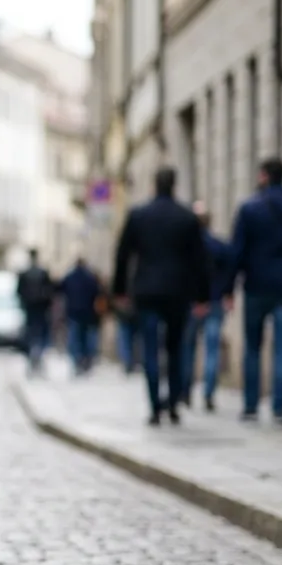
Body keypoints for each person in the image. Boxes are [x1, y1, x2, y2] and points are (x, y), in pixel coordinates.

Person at [112, 167, 210, 426]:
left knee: (150, 348)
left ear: (154, 185)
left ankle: (155, 406)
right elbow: (200, 261)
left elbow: (122, 256)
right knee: (176, 348)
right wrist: (202, 296)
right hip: (178, 292)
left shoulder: (139, 215)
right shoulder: (187, 217)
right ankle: (174, 403)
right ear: (174, 185)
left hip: (146, 291)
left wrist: (120, 291)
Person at [228, 157, 282, 427]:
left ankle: (251, 406)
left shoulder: (249, 209)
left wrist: (229, 288)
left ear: (263, 176)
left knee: (253, 347)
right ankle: (279, 409)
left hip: (256, 287)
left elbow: (236, 253)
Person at [178, 200, 234, 412]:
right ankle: (209, 393)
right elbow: (229, 272)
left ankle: (185, 392)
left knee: (188, 349)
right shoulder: (219, 246)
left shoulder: (186, 250)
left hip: (193, 304)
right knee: (211, 349)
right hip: (215, 303)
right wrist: (227, 294)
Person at [58, 256, 100, 376]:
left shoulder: (70, 277)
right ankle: (86, 360)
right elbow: (97, 292)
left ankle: (77, 360)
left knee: (75, 338)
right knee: (86, 338)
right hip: (88, 313)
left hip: (73, 312)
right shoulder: (90, 277)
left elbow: (60, 289)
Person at [16, 249, 54, 375]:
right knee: (41, 333)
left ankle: (33, 354)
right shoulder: (43, 273)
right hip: (41, 309)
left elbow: (19, 292)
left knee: (30, 333)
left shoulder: (24, 273)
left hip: (30, 308)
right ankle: (37, 354)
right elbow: (50, 291)